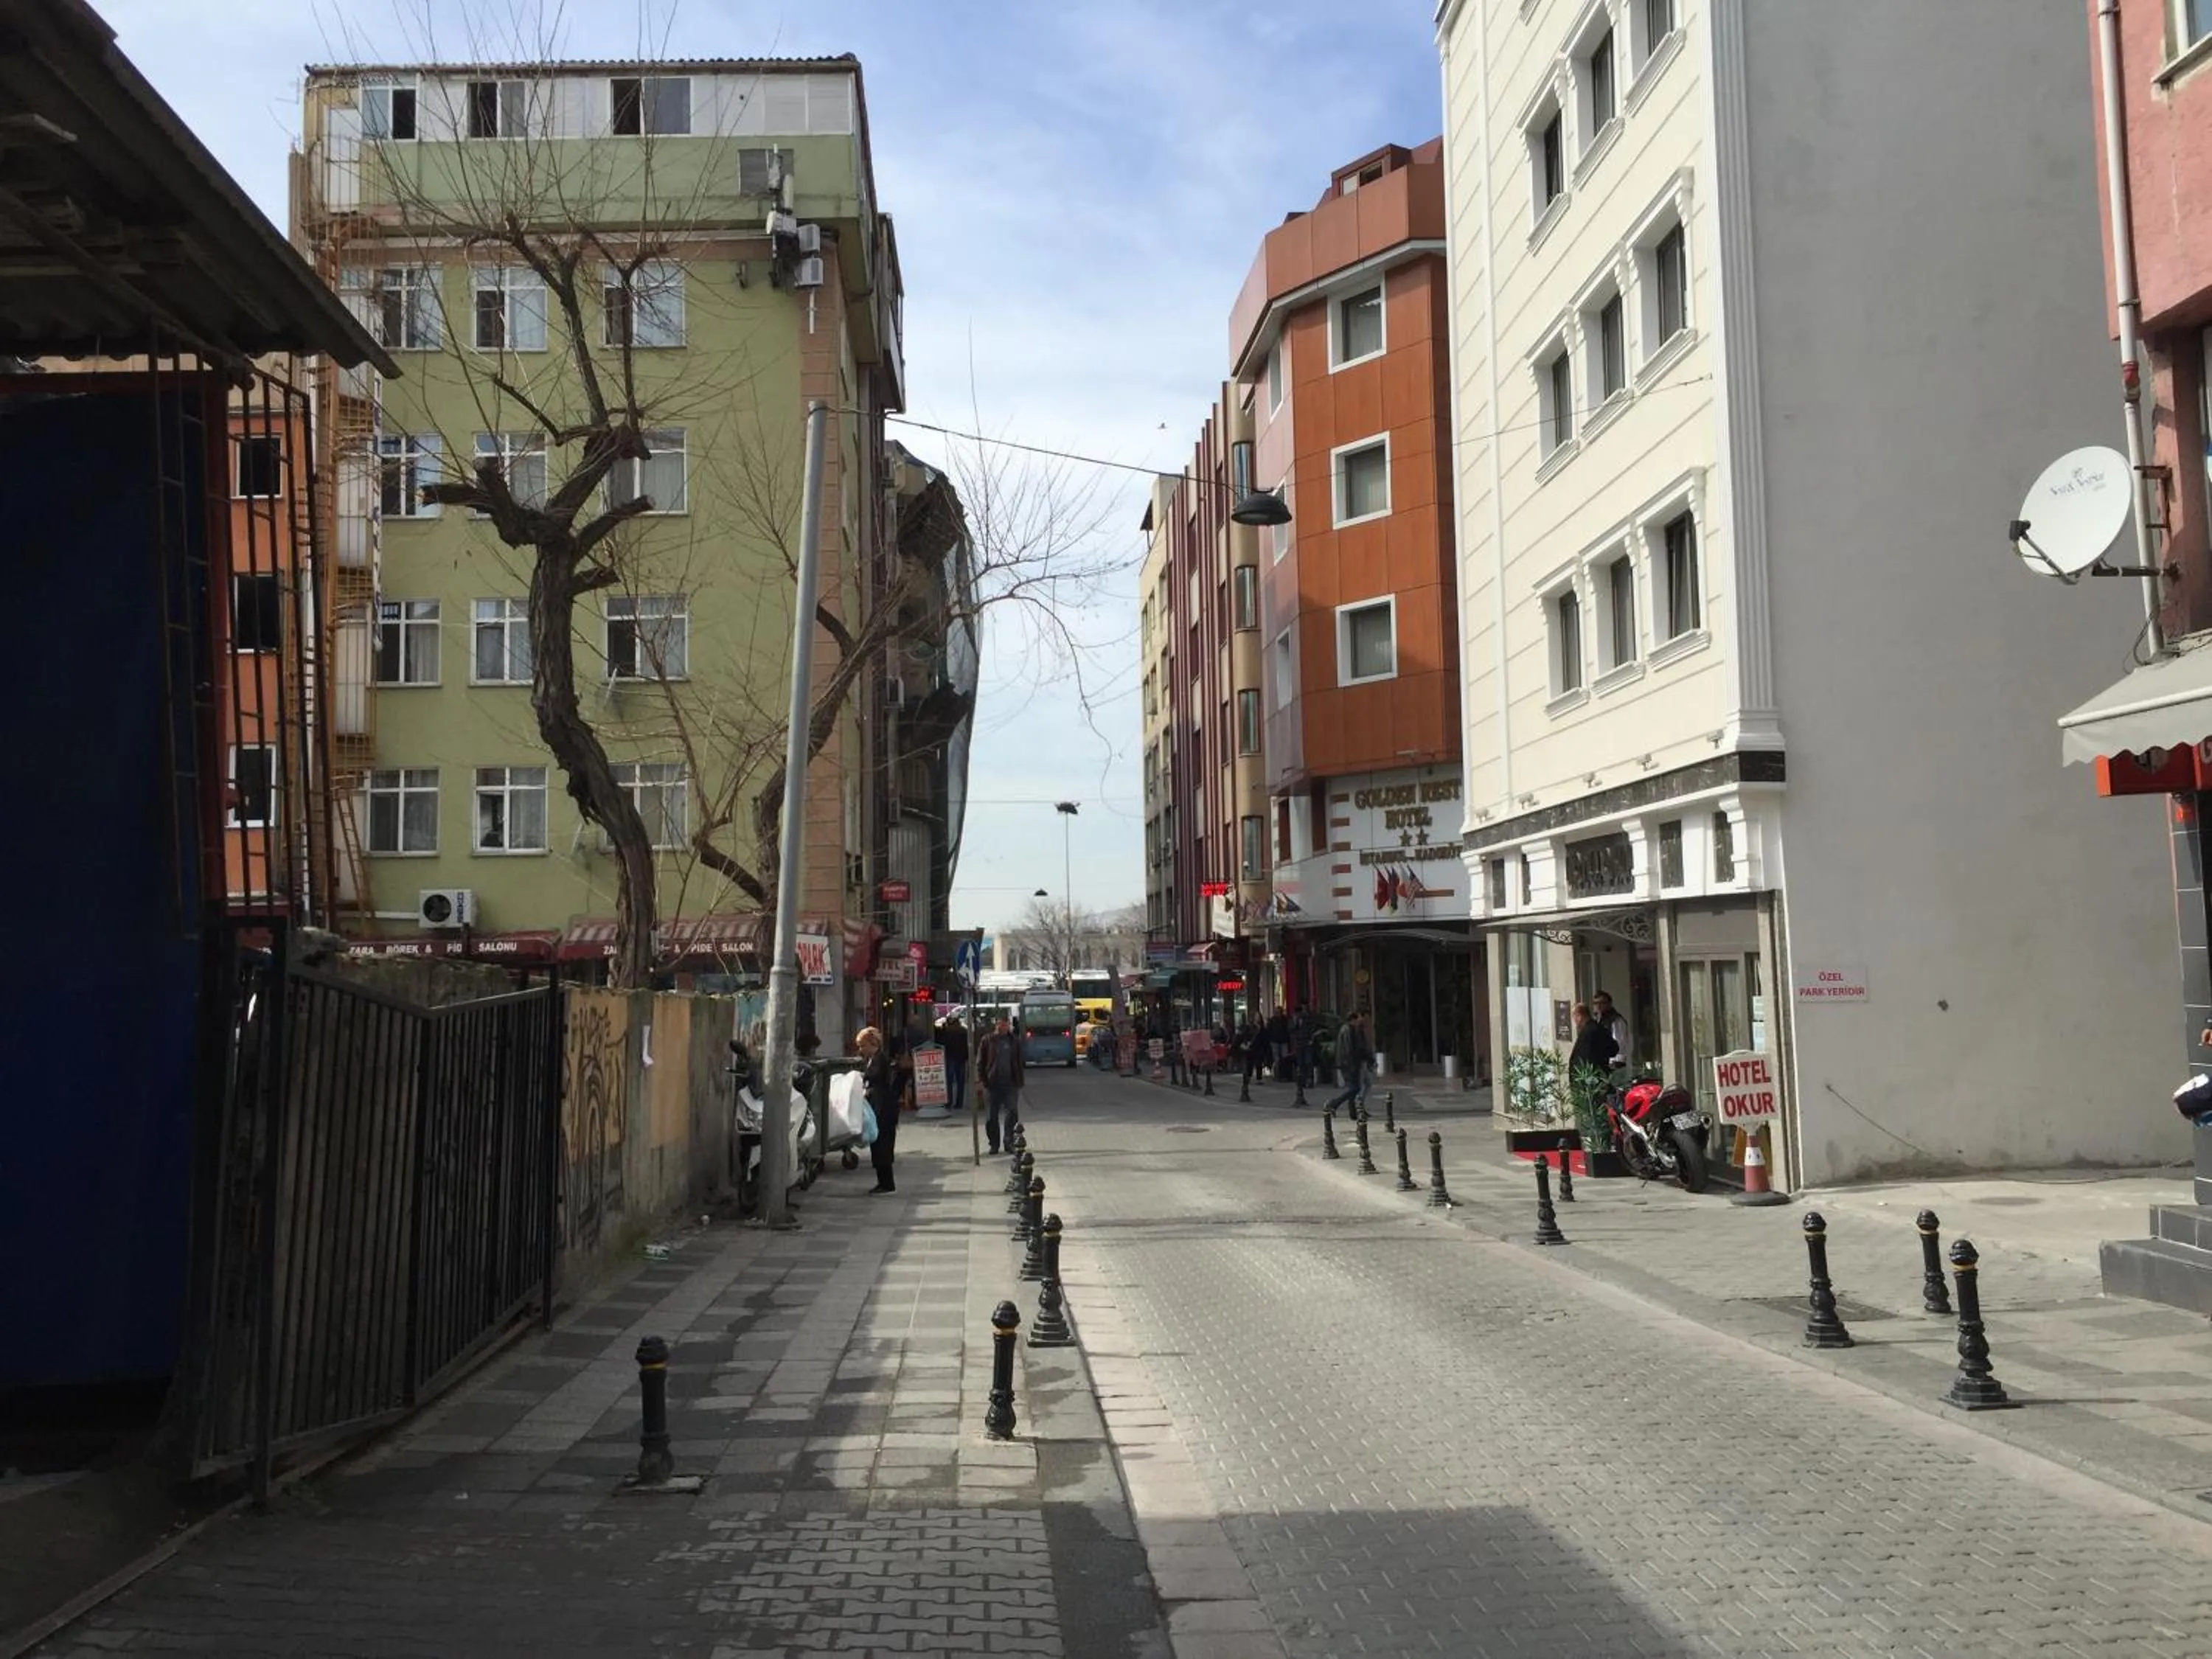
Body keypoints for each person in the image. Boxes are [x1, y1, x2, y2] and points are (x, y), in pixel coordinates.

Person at [857, 1026, 899, 1195]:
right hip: (879, 1107)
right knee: (879, 1146)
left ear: (871, 1044)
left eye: (862, 1046)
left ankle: (887, 1183)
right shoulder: (874, 1059)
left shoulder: (880, 1060)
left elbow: (879, 1080)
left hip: (883, 1109)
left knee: (882, 1146)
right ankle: (883, 1182)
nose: (860, 1050)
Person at [977, 1014, 1026, 1154]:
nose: (1002, 1026)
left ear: (1009, 1025)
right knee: (991, 1117)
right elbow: (980, 1062)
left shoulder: (1014, 1041)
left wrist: (1019, 1081)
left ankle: (1009, 1141)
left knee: (1012, 1113)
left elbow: (1019, 1061)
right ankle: (994, 1144)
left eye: (1005, 1024)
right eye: (1000, 1024)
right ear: (996, 1025)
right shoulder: (988, 1040)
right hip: (992, 1084)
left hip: (1010, 1083)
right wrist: (982, 1080)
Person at [1324, 1010, 1373, 1116]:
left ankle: (1352, 1112)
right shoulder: (1348, 1030)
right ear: (1353, 1020)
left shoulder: (1348, 1029)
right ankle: (1334, 1103)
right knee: (1355, 1088)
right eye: (1357, 1019)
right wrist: (1353, 1064)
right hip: (1349, 1064)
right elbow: (1350, 1049)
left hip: (1348, 1063)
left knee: (1353, 1087)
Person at [1568, 1001, 1618, 1079]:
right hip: (1594, 1077)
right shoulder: (1597, 1029)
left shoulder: (1590, 1032)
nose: (1574, 1021)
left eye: (1574, 1017)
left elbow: (1584, 1058)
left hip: (1591, 1080)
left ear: (1579, 1016)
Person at [1592, 990, 1631, 1069]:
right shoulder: (1597, 1020)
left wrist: (1614, 1062)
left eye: (1602, 1003)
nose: (1599, 1006)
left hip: (1613, 1063)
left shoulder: (1616, 1020)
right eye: (1596, 1003)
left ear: (1609, 1004)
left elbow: (1620, 1043)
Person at [940, 1013, 970, 1117]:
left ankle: (949, 1102)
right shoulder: (963, 1031)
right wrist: (967, 1057)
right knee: (960, 1081)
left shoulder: (947, 1032)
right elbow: (967, 1045)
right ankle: (959, 1103)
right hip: (961, 1058)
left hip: (950, 1057)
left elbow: (943, 1043)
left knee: (949, 1080)